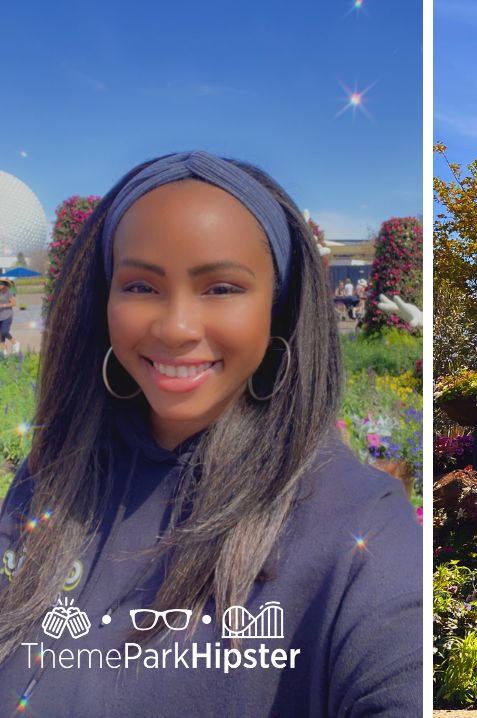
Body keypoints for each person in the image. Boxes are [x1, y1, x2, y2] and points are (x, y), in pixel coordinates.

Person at [0, 152, 422, 715]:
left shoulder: (362, 531)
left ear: (279, 305)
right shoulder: (49, 480)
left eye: (221, 287)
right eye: (141, 286)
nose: (175, 328)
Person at [0, 278, 14, 356]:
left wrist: (3, 305)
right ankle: (4, 355)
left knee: (4, 332)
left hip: (7, 315)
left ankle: (15, 343)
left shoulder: (8, 292)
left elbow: (14, 303)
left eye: (1, 284)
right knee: (1, 338)